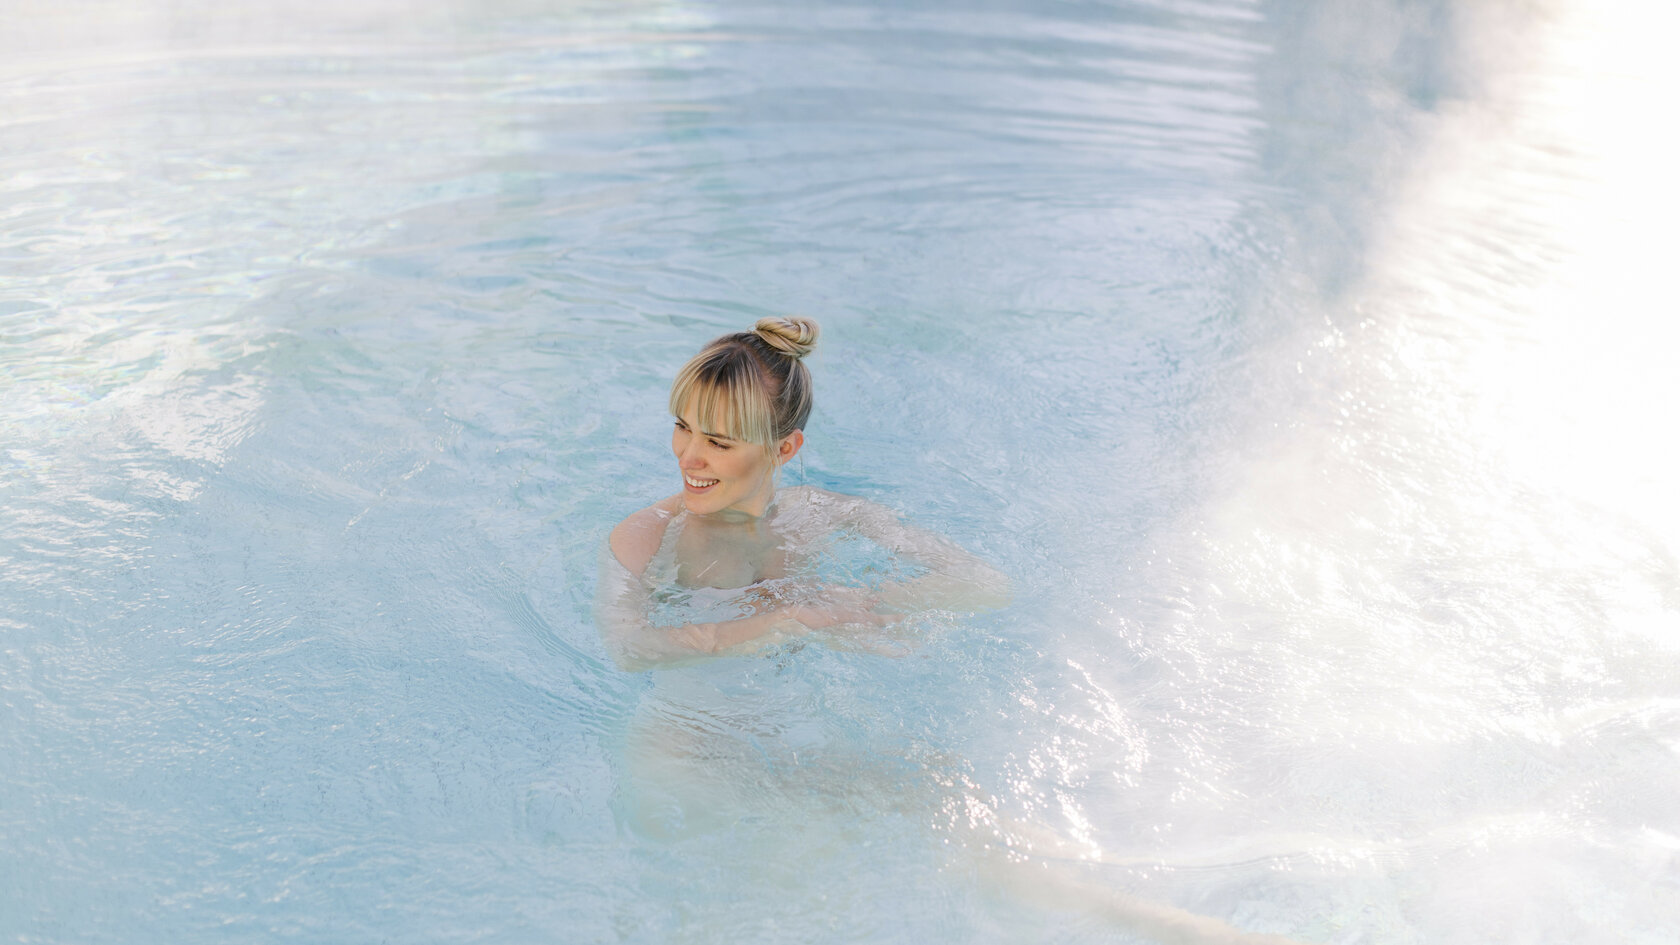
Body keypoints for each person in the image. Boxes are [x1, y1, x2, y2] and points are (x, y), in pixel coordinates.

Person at [598, 315, 1010, 669]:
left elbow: (986, 582)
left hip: (795, 731)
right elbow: (628, 650)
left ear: (784, 449)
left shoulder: (826, 514)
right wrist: (784, 622)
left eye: (718, 443)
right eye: (682, 427)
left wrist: (862, 604)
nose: (687, 458)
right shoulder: (649, 537)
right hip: (691, 740)